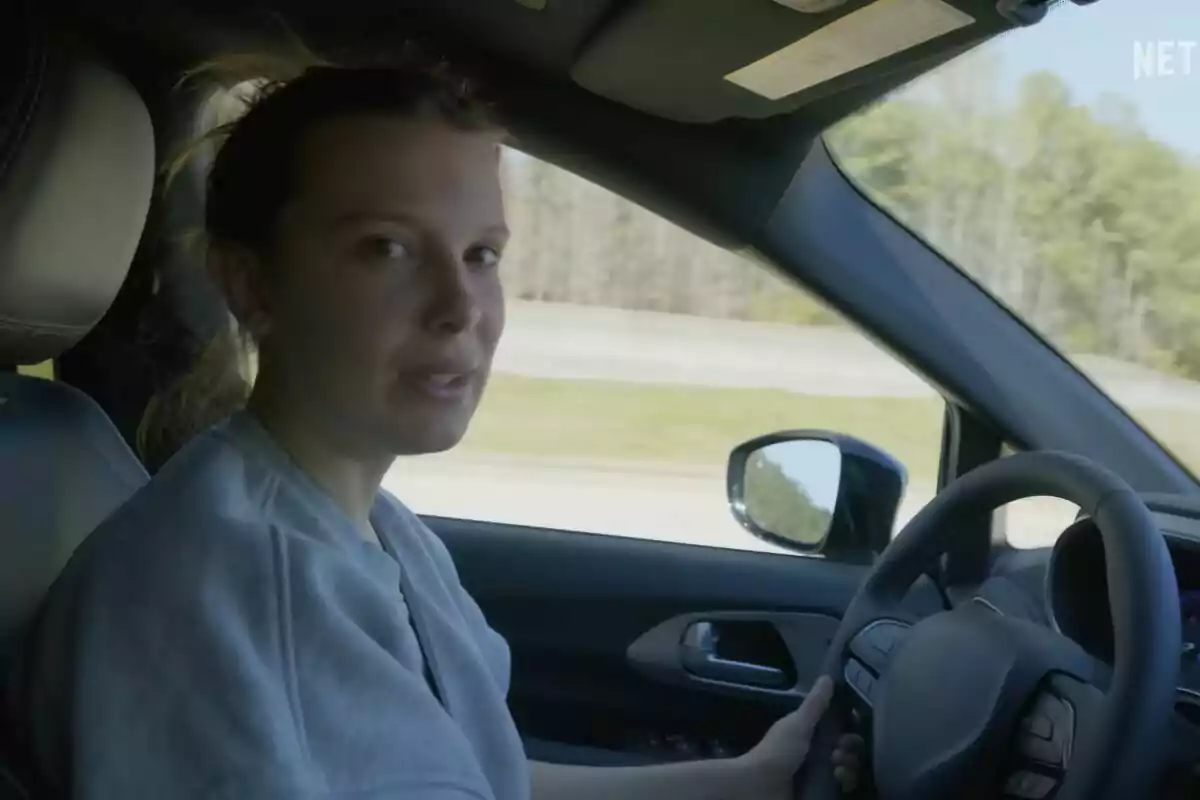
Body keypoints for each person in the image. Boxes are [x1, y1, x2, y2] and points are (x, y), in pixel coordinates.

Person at [9, 54, 863, 799]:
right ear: (252, 284)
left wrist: (738, 783)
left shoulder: (375, 532)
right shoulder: (227, 593)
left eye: (481, 254)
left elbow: (465, 776)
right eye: (387, 248)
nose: (461, 309)